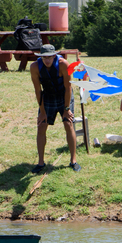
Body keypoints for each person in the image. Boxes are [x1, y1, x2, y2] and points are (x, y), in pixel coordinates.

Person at [30, 44, 79, 173]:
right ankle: (41, 163)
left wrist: (67, 108)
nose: (47, 60)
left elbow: (68, 87)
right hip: (47, 97)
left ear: (54, 56)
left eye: (50, 57)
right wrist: (42, 112)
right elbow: (37, 90)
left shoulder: (63, 64)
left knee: (68, 124)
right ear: (40, 57)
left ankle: (73, 160)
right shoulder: (34, 67)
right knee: (41, 126)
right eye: (44, 57)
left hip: (64, 96)